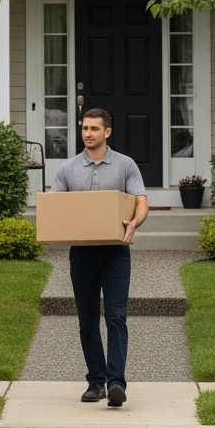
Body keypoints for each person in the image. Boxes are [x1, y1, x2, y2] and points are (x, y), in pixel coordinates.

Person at [50, 108, 149, 407]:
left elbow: (141, 202)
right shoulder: (67, 170)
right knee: (87, 320)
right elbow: (56, 210)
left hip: (116, 252)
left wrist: (133, 224)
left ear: (107, 132)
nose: (88, 133)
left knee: (116, 317)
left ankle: (116, 383)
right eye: (84, 128)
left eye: (94, 129)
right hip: (81, 254)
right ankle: (96, 382)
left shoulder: (125, 165)